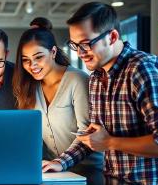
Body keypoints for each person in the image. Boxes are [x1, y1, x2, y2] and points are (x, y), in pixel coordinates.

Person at [66, 2, 158, 185]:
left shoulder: (144, 70)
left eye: (86, 44)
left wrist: (110, 142)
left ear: (112, 36)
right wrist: (60, 163)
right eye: (75, 45)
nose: (81, 53)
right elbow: (95, 137)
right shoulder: (97, 78)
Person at [13, 28, 103, 173]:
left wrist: (60, 162)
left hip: (89, 170)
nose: (32, 65)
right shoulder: (29, 87)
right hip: (55, 171)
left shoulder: (77, 80)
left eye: (38, 57)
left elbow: (87, 133)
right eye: (25, 60)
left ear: (53, 52)